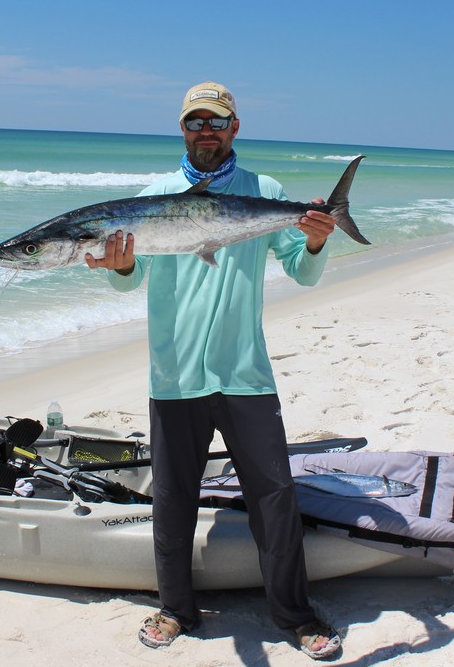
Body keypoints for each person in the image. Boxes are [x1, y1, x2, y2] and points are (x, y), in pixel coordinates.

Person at [84, 81, 343, 660]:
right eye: (195, 121)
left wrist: (319, 242)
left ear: (235, 128)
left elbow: (299, 270)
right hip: (174, 374)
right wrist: (120, 266)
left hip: (245, 372)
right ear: (182, 129)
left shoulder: (265, 192)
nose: (206, 130)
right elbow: (127, 275)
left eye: (217, 121)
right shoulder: (151, 197)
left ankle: (295, 615)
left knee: (274, 496)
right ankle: (176, 609)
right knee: (172, 497)